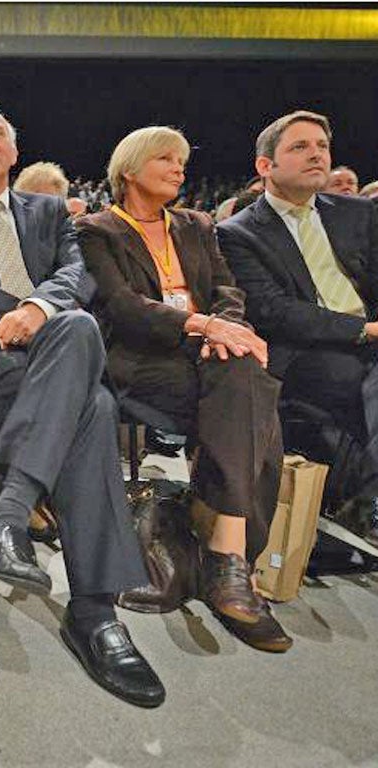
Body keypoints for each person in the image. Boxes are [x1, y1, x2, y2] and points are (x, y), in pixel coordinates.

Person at [0, 105, 163, 707]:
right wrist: (29, 311)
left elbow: (79, 275)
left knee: (89, 381)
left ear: (15, 153)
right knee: (90, 392)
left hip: (51, 346)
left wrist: (40, 313)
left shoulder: (51, 211)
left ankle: (13, 519)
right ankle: (95, 614)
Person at [76, 126, 290, 652]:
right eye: (166, 159)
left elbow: (226, 289)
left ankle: (226, 549)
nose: (179, 168)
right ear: (130, 170)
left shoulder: (196, 224)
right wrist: (205, 328)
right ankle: (232, 560)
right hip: (139, 358)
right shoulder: (98, 230)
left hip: (207, 355)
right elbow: (122, 307)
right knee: (253, 392)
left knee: (244, 377)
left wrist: (227, 326)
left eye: (182, 160)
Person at [217, 110, 378, 545]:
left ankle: (368, 500)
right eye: (300, 147)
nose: (316, 155)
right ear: (265, 166)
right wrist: (364, 330)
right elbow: (274, 311)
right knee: (361, 375)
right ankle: (370, 504)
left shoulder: (357, 215)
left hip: (368, 339)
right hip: (305, 350)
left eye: (322, 147)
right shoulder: (238, 233)